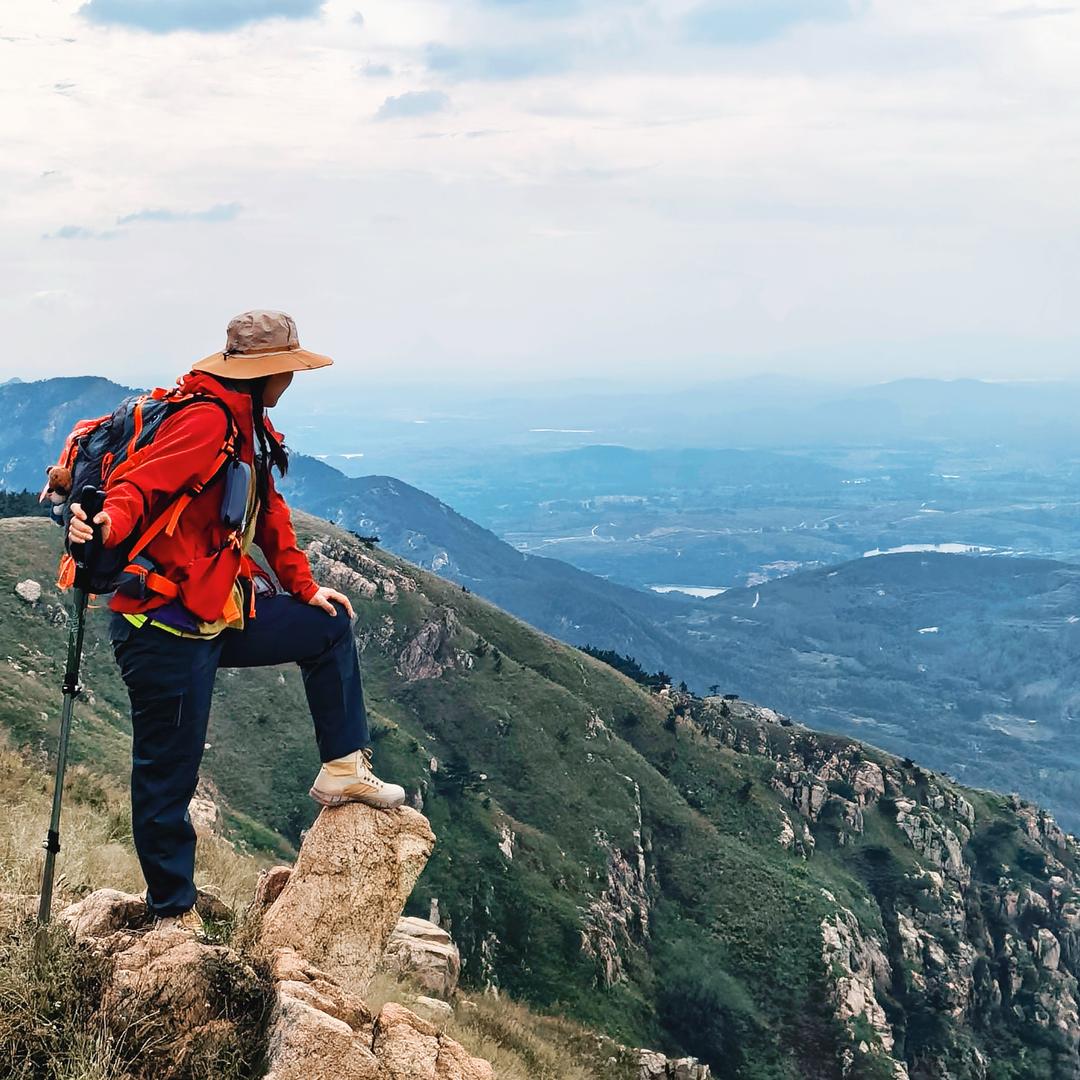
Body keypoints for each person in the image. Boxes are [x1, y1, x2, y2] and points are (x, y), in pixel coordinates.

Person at [67, 310, 405, 933]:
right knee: (169, 772)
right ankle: (173, 909)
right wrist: (106, 522)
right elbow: (141, 485)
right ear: (266, 371)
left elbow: (268, 512)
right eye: (287, 369)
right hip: (161, 626)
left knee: (327, 628)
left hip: (213, 607)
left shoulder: (248, 425)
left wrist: (305, 589)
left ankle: (342, 770)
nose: (292, 380)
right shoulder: (205, 421)